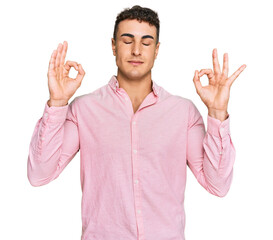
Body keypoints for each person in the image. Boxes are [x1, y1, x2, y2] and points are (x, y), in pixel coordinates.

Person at [27, 5, 246, 240]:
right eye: (127, 40)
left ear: (157, 49)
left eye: (146, 42)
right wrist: (58, 102)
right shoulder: (83, 109)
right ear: (113, 46)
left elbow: (218, 185)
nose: (137, 50)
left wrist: (217, 111)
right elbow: (39, 174)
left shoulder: (183, 113)